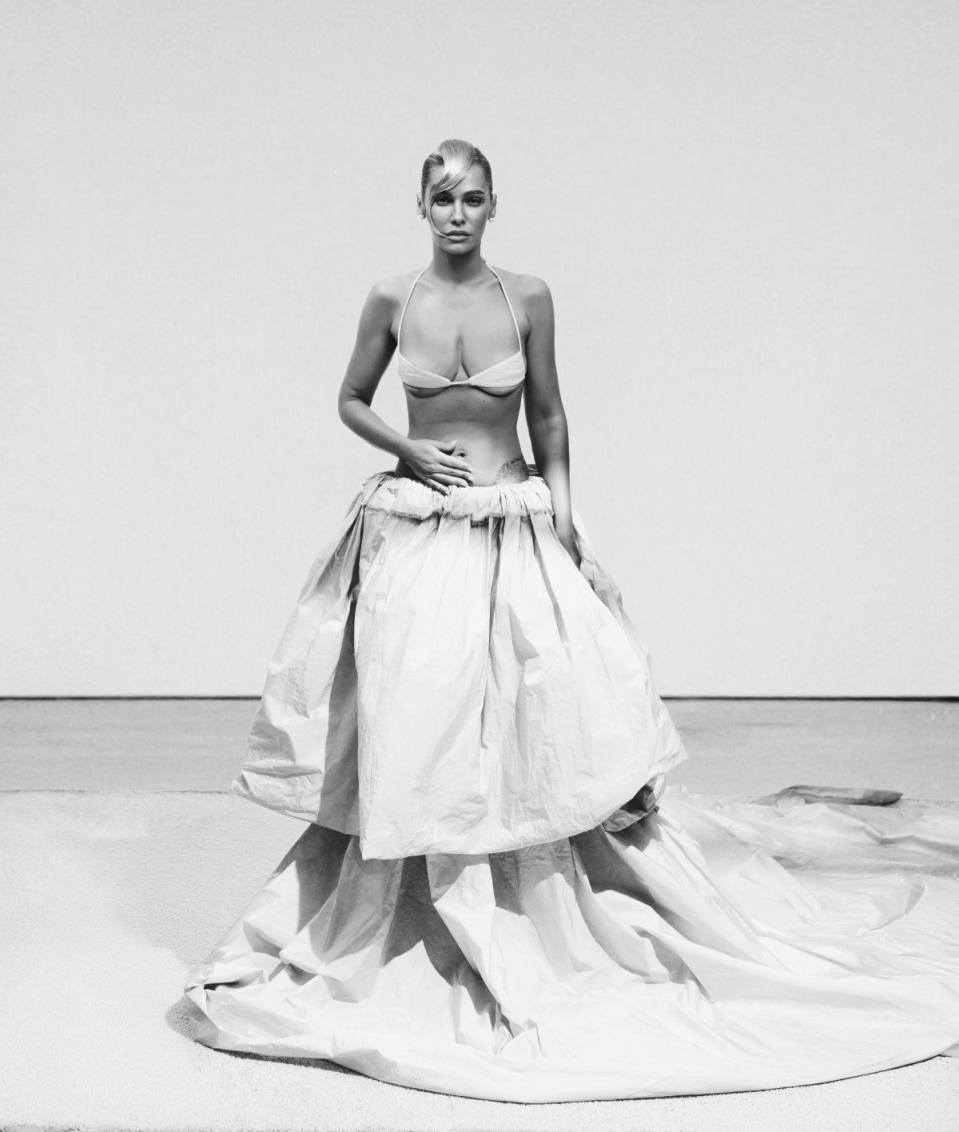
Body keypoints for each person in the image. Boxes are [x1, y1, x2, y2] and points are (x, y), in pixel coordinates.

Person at [184, 139, 959, 1102]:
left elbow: (548, 414)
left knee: (546, 705)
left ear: (493, 205)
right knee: (420, 714)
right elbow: (348, 398)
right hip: (419, 524)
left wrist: (563, 514)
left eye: (471, 198)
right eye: (441, 199)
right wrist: (407, 450)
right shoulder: (390, 296)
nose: (456, 213)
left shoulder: (527, 297)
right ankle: (413, 911)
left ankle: (539, 908)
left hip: (513, 518)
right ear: (420, 206)